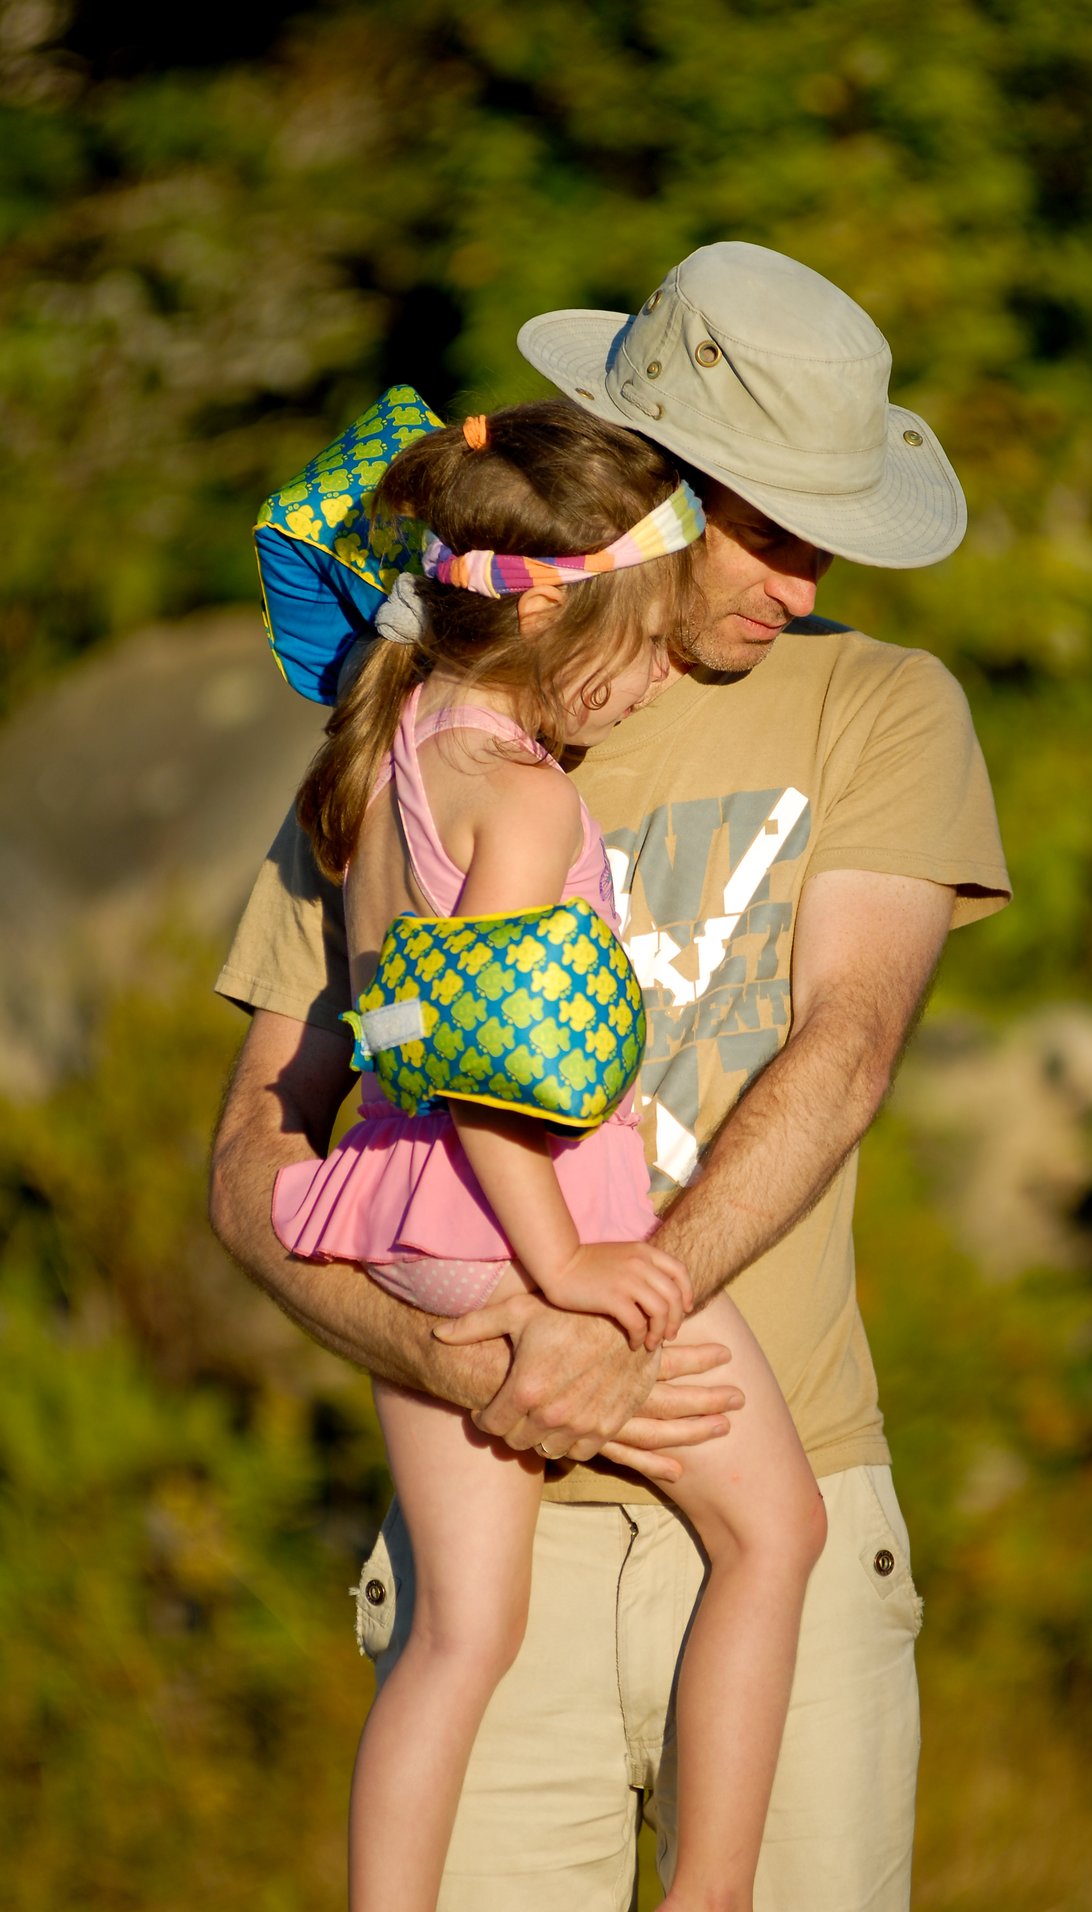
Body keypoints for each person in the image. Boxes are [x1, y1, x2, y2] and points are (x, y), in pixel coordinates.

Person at [210, 241, 1012, 1911]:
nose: (802, 585)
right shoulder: (441, 722)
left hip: (759, 1422)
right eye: (777, 529)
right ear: (659, 483)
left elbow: (844, 1049)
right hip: (501, 1453)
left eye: (831, 542)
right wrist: (475, 1347)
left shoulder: (883, 705)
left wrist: (591, 1329)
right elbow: (252, 1158)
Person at [272, 399, 827, 1912]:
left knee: (461, 1630)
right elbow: (496, 1076)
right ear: (558, 622)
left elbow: (400, 1030)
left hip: (386, 1201)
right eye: (644, 648)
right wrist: (569, 1259)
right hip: (515, 1207)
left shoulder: (388, 737)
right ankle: (708, 1897)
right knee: (780, 1530)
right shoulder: (525, 794)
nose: (655, 681)